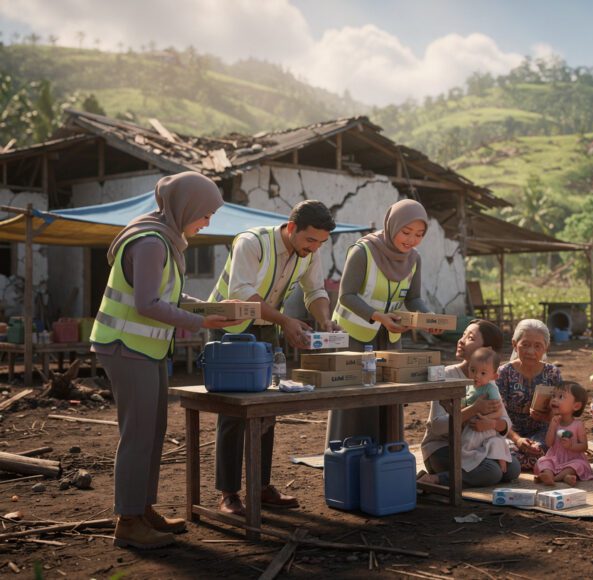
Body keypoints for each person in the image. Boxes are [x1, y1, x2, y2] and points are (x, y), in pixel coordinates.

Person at [90, 171, 239, 549]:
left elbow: (168, 293)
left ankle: (142, 509)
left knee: (152, 433)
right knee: (137, 436)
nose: (207, 222)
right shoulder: (151, 242)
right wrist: (202, 321)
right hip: (126, 347)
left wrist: (207, 306)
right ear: (184, 206)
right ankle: (127, 521)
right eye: (205, 214)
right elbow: (146, 304)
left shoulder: (167, 240)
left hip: (148, 349)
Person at [211, 199, 338, 516]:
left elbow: (316, 292)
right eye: (310, 239)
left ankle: (261, 485)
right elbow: (243, 294)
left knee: (267, 409)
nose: (314, 247)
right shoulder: (251, 242)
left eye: (321, 242)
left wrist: (324, 320)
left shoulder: (310, 251)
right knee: (233, 409)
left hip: (267, 328)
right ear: (292, 228)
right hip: (228, 327)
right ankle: (228, 493)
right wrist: (286, 321)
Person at [327, 199, 441, 443]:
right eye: (406, 232)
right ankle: (347, 453)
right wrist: (378, 316)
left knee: (390, 396)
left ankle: (385, 456)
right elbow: (346, 296)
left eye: (419, 235)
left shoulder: (414, 258)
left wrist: (427, 319)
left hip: (390, 337)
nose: (411, 240)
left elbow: (413, 298)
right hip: (355, 337)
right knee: (355, 399)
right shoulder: (363, 251)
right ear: (392, 225)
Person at [420, 319, 522, 487]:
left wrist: (492, 423)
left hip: (475, 447)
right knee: (492, 471)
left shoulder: (487, 379)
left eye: (470, 337)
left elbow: (506, 423)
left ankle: (466, 473)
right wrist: (473, 409)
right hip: (442, 449)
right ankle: (436, 479)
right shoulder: (446, 375)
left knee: (513, 468)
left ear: (487, 350)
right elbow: (437, 427)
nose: (461, 340)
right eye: (463, 335)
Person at [498, 319, 563, 472]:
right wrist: (517, 439)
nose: (531, 351)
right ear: (515, 344)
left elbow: (561, 412)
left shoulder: (552, 373)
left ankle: (538, 459)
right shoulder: (503, 373)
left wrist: (544, 417)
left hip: (541, 433)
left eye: (537, 346)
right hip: (508, 433)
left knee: (543, 448)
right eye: (525, 345)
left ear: (546, 347)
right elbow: (497, 414)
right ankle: (542, 463)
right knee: (506, 453)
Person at [459, 347, 512, 475]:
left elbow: (499, 413)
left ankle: (500, 460)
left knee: (493, 442)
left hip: (486, 425)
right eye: (473, 370)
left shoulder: (490, 389)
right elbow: (461, 408)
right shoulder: (467, 387)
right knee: (465, 444)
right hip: (472, 425)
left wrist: (488, 420)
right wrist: (469, 412)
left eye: (483, 373)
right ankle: (466, 465)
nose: (476, 376)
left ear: (494, 376)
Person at [534, 382, 593, 486]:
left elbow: (584, 446)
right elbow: (549, 443)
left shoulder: (578, 425)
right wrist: (552, 427)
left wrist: (571, 446)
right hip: (555, 458)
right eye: (553, 396)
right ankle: (553, 475)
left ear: (576, 406)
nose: (554, 399)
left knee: (578, 465)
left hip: (573, 459)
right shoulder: (554, 422)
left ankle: (555, 478)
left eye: (561, 397)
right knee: (543, 461)